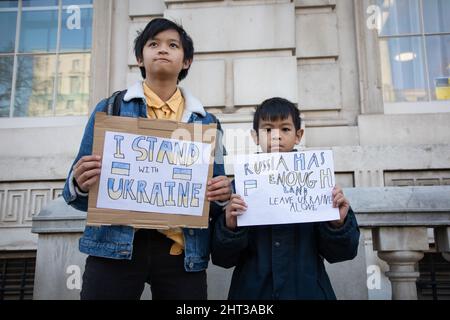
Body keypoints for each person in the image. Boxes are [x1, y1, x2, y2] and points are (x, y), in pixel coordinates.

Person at [62, 18, 231, 300]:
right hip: (116, 248)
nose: (162, 50)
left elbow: (218, 196)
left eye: (173, 45)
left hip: (181, 253)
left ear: (186, 61)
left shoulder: (208, 124)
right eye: (153, 44)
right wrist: (80, 183)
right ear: (140, 57)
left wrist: (223, 195)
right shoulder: (110, 109)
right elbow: (75, 195)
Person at [211, 97, 360, 300]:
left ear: (299, 135)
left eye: (285, 129)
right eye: (268, 129)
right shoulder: (241, 186)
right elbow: (222, 259)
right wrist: (230, 228)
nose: (276, 137)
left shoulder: (317, 181)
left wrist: (338, 224)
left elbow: (343, 253)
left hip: (308, 291)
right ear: (255, 136)